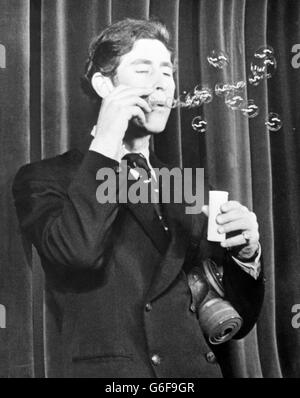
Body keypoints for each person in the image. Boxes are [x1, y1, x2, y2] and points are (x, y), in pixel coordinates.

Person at [12, 18, 264, 378]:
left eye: (167, 71)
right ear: (104, 84)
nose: (162, 83)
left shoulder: (182, 182)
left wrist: (246, 256)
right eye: (143, 69)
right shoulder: (48, 177)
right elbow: (77, 252)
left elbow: (235, 315)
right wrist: (107, 142)